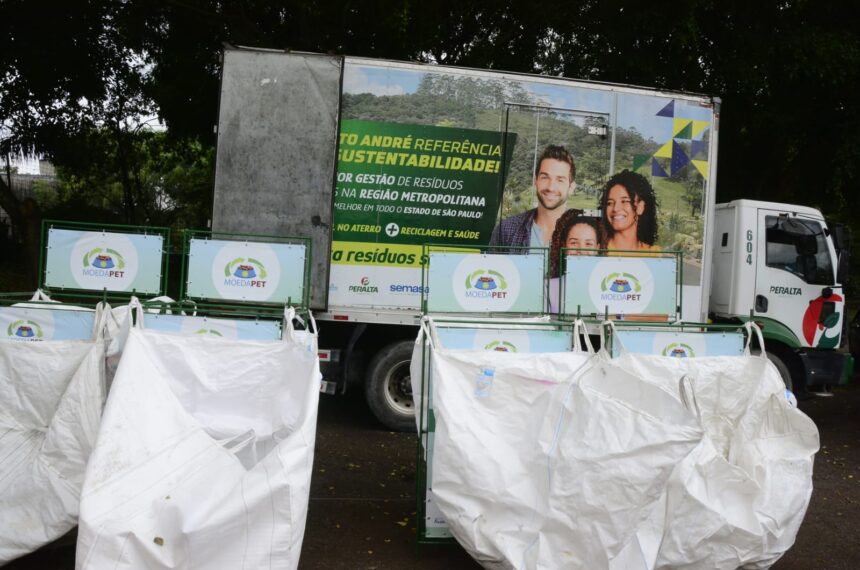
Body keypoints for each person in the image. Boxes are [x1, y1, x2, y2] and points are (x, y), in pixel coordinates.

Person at [489, 145, 577, 249]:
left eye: (560, 180)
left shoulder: (585, 234)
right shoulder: (506, 230)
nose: (551, 187)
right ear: (536, 181)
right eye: (545, 177)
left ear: (571, 187)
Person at [599, 170, 660, 252]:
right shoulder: (598, 250)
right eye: (610, 203)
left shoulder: (654, 253)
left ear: (640, 207)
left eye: (624, 201)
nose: (615, 208)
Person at [549, 211, 603, 278]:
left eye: (588, 244)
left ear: (597, 248)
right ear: (564, 245)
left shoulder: (606, 283)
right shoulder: (550, 283)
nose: (581, 251)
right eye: (574, 243)